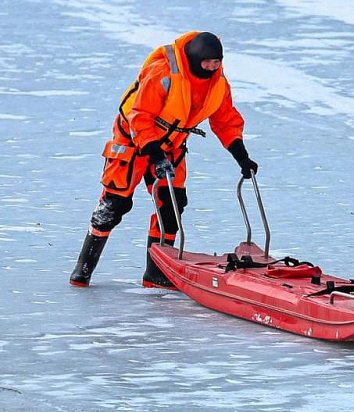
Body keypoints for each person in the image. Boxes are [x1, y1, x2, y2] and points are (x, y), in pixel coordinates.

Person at [69, 31, 258, 289]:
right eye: (207, 63)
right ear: (194, 58)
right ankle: (83, 268)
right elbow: (141, 116)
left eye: (217, 63)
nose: (212, 68)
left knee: (172, 206)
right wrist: (155, 155)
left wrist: (241, 155)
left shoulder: (218, 83)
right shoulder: (163, 72)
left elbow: (225, 120)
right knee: (114, 204)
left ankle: (156, 274)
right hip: (133, 141)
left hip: (171, 146)